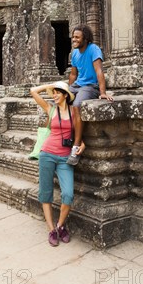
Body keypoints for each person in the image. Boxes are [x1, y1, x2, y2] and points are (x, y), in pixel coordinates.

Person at [30, 81, 85, 247]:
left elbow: (77, 132)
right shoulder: (50, 108)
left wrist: (82, 144)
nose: (54, 95)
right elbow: (33, 91)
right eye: (53, 93)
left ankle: (61, 225)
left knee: (68, 194)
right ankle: (51, 229)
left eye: (57, 93)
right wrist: (51, 85)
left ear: (66, 95)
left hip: (64, 158)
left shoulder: (73, 111)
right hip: (47, 154)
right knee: (45, 192)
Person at [69, 24, 113, 117]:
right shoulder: (74, 53)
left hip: (91, 86)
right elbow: (73, 74)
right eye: (73, 37)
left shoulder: (93, 49)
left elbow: (99, 71)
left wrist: (103, 93)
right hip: (77, 85)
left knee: (77, 105)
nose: (74, 39)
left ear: (85, 39)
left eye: (77, 37)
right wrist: (68, 90)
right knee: (58, 101)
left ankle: (76, 132)